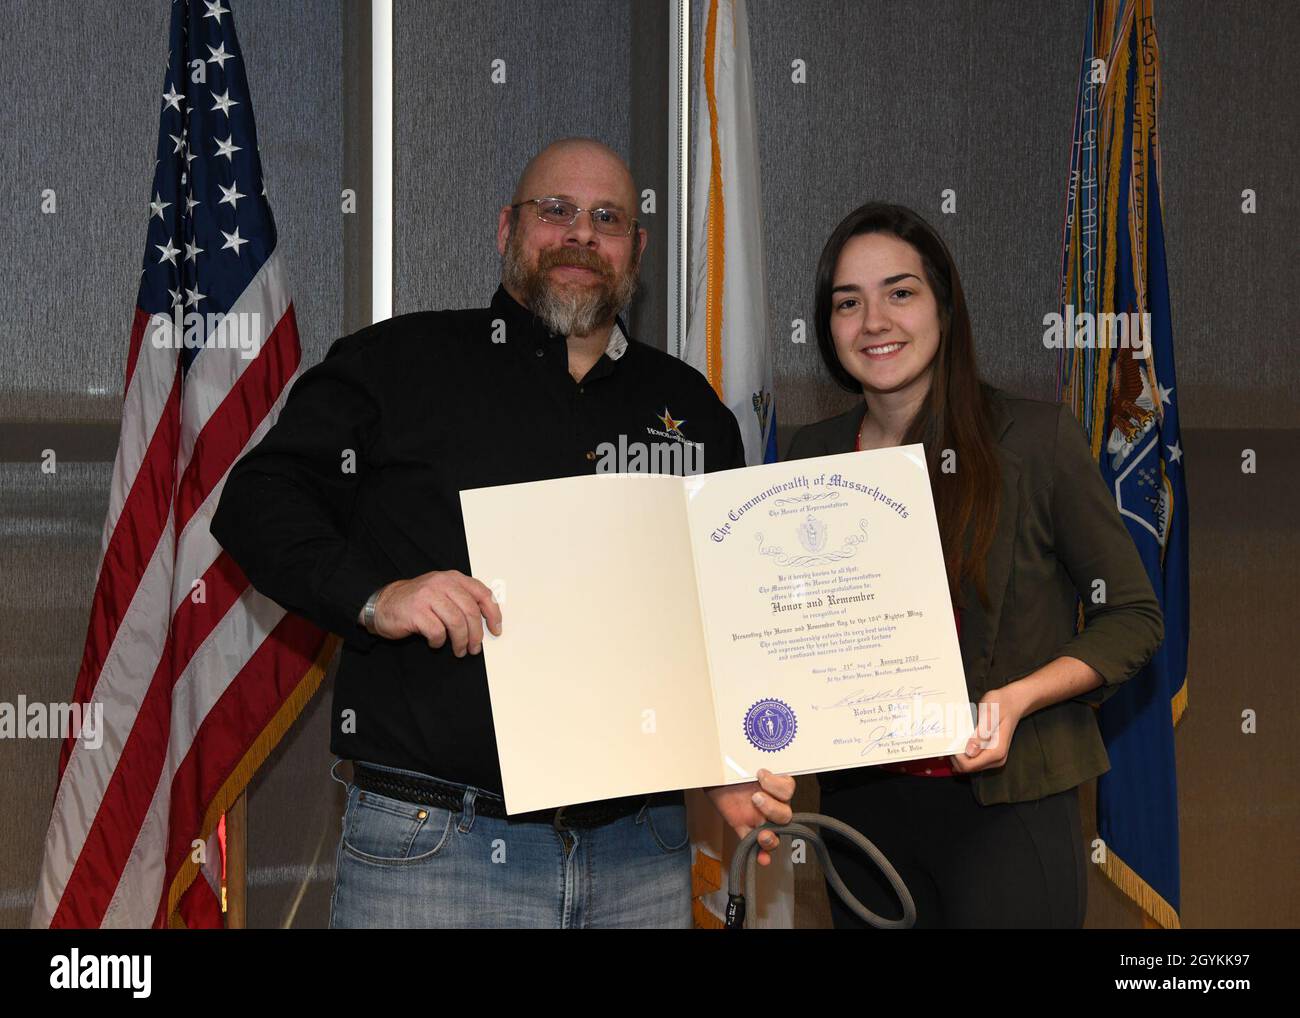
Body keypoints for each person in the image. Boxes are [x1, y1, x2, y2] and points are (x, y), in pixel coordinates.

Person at [210, 137, 795, 928]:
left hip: (643, 857)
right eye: (554, 210)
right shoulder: (398, 364)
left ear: (637, 250)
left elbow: (716, 619)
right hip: (436, 853)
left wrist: (722, 760)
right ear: (505, 230)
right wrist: (377, 596)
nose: (581, 234)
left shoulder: (689, 407)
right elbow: (256, 500)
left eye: (607, 218)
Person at [785, 202, 1164, 929]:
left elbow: (1134, 617)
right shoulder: (812, 453)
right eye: (847, 302)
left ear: (944, 308)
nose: (874, 322)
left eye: (901, 293)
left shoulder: (1034, 440)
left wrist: (1016, 699)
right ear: (827, 326)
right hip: (862, 813)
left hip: (1007, 808)